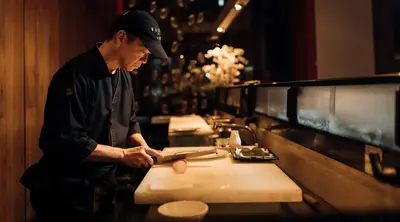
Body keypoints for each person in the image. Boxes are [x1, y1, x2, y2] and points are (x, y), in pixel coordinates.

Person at [20, 8, 167, 222]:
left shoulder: (124, 77)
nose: (145, 60)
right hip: (65, 193)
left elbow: (130, 121)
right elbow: (70, 141)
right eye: (143, 51)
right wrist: (124, 155)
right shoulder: (74, 76)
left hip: (103, 188)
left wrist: (142, 147)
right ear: (121, 38)